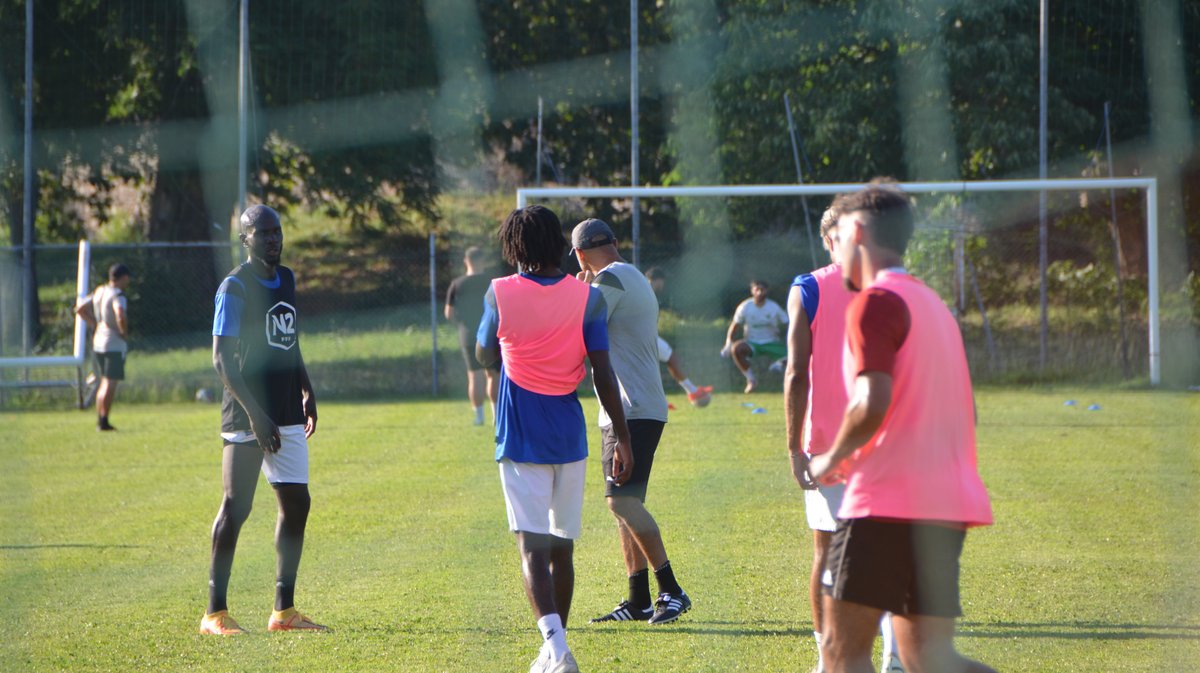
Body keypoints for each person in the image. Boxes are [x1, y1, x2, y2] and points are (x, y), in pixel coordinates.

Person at [807, 184, 995, 673]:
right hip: (945, 507)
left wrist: (829, 458)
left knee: (840, 653)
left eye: (838, 236)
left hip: (884, 506)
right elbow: (967, 412)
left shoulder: (874, 302)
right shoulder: (934, 306)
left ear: (858, 232)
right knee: (931, 659)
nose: (834, 249)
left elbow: (872, 401)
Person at [475, 205, 633, 673]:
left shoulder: (500, 292)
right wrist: (622, 438)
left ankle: (557, 648)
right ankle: (553, 649)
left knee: (532, 548)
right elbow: (602, 371)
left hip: (521, 434)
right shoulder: (588, 299)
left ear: (513, 247)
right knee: (562, 547)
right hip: (570, 435)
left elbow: (485, 351)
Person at [200, 205, 326, 636]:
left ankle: (283, 612)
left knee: (297, 505)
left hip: (289, 410)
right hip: (247, 412)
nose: (273, 239)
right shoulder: (234, 288)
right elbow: (221, 359)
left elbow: (289, 340)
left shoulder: (286, 278)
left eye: (277, 232)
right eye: (264, 233)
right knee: (237, 506)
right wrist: (256, 416)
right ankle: (215, 614)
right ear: (245, 239)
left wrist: (306, 389)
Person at [786, 207, 902, 673]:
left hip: (828, 443)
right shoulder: (890, 286)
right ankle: (894, 656)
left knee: (828, 551)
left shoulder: (808, 287)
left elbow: (796, 373)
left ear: (826, 239)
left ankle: (827, 658)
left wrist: (793, 447)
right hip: (885, 437)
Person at [571, 219, 692, 626]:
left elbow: (578, 322)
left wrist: (576, 287)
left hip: (634, 408)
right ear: (615, 244)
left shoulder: (613, 280)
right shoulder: (626, 275)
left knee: (621, 500)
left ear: (581, 255)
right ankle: (638, 599)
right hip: (626, 407)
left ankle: (671, 590)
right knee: (624, 504)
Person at [445, 245, 500, 425]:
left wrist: (461, 324)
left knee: (474, 375)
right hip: (491, 334)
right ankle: (496, 416)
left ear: (466, 261)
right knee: (493, 375)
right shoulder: (492, 282)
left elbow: (449, 313)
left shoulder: (457, 284)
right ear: (483, 260)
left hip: (467, 335)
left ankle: (479, 417)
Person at [644, 267, 712, 408]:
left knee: (648, 367)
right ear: (657, 280)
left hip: (644, 335)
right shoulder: (646, 292)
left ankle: (656, 399)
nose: (663, 286)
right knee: (671, 358)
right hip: (643, 336)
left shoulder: (645, 292)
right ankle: (692, 391)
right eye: (662, 282)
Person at [76, 263, 132, 431]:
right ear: (123, 277)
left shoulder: (100, 291)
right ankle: (104, 420)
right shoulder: (118, 294)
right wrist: (123, 332)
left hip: (98, 341)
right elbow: (120, 314)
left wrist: (95, 323)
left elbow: (80, 309)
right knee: (110, 383)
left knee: (103, 382)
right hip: (112, 343)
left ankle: (100, 419)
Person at [722, 279, 788, 393]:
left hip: (772, 343)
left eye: (762, 290)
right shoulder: (745, 306)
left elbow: (788, 323)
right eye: (757, 289)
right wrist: (728, 342)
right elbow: (735, 325)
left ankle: (779, 365)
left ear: (767, 291)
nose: (759, 292)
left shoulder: (773, 307)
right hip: (753, 343)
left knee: (796, 355)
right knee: (736, 348)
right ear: (752, 291)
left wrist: (787, 339)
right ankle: (751, 380)